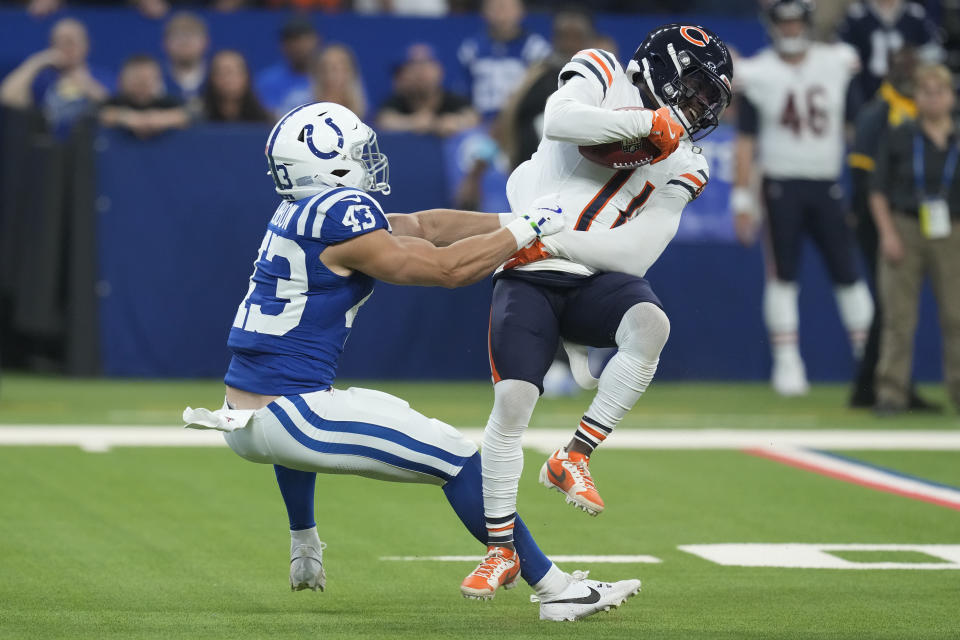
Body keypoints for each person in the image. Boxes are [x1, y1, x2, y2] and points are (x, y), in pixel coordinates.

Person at [183, 102, 641, 620]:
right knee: (464, 460)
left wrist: (513, 221)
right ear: (328, 164)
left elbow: (422, 225)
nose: (368, 160)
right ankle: (557, 591)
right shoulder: (339, 214)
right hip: (291, 416)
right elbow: (446, 269)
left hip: (247, 415)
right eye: (356, 152)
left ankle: (307, 544)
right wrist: (527, 229)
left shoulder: (298, 210)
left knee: (342, 409)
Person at [460, 24, 732, 595]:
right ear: (665, 65)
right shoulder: (603, 72)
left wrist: (556, 242)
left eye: (710, 100)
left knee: (650, 325)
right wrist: (643, 124)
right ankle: (500, 548)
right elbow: (561, 121)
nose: (699, 107)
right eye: (696, 89)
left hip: (586, 271)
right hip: (528, 275)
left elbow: (637, 252)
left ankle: (575, 454)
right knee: (511, 406)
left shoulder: (688, 161)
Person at [732, 0, 873, 396]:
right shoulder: (758, 72)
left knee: (848, 273)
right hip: (780, 186)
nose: (791, 30)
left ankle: (869, 358)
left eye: (797, 22)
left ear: (807, 24)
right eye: (785, 23)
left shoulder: (837, 62)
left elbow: (853, 130)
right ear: (773, 25)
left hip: (827, 183)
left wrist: (865, 185)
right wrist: (743, 199)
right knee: (783, 276)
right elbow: (745, 142)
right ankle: (788, 363)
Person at [847, 46, 939, 411]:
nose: (907, 73)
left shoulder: (922, 113)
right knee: (891, 305)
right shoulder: (878, 112)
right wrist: (869, 221)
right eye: (901, 67)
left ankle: (873, 385)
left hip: (910, 217)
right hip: (879, 219)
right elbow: (860, 171)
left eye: (912, 67)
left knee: (892, 306)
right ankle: (878, 385)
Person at [870, 63, 960, 415]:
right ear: (917, 97)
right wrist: (888, 233)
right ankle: (892, 394)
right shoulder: (900, 134)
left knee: (957, 315)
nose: (933, 99)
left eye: (940, 92)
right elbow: (876, 190)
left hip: (952, 230)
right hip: (905, 225)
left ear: (951, 97)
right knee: (899, 317)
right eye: (926, 92)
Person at [0, 18, 110, 137]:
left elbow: (112, 107)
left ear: (86, 44)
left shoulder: (102, 77)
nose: (64, 48)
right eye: (58, 42)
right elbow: (7, 97)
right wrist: (36, 62)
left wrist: (85, 84)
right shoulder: (43, 79)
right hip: (47, 146)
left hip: (88, 146)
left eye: (70, 42)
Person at [457, 0, 551, 120]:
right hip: (480, 123)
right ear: (484, 12)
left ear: (521, 11)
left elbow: (543, 94)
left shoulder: (536, 49)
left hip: (521, 121)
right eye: (495, 8)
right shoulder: (470, 49)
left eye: (507, 8)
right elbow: (464, 93)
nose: (502, 14)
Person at [838, 0, 941, 105]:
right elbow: (842, 48)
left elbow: (931, 50)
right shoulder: (857, 14)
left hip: (907, 91)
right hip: (866, 86)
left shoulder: (915, 14)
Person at [376, 43, 478, 136]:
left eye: (426, 65)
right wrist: (412, 123)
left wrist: (456, 122)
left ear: (440, 71)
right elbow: (384, 119)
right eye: (413, 66)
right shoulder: (397, 100)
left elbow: (473, 117)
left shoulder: (454, 99)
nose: (420, 72)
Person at [99, 55, 190, 138]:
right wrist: (126, 117)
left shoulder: (170, 103)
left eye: (147, 78)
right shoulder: (112, 102)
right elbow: (101, 114)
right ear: (121, 80)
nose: (141, 83)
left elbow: (187, 115)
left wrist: (156, 119)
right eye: (136, 78)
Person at [255, 17, 320, 117]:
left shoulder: (327, 78)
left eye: (302, 40)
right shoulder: (267, 81)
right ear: (282, 46)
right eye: (291, 41)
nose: (297, 46)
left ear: (315, 40)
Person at [202, 50, 271, 123]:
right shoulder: (197, 116)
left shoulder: (265, 120)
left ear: (246, 77)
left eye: (234, 72)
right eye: (222, 72)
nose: (228, 79)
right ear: (212, 78)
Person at [162, 11, 209, 116]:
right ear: (165, 43)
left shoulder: (217, 77)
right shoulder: (154, 78)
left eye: (192, 35)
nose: (185, 42)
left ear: (205, 42)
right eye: (178, 36)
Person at [310, 44, 367, 122]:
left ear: (351, 73)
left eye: (336, 69)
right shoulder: (304, 113)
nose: (330, 75)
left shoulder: (366, 119)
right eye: (324, 68)